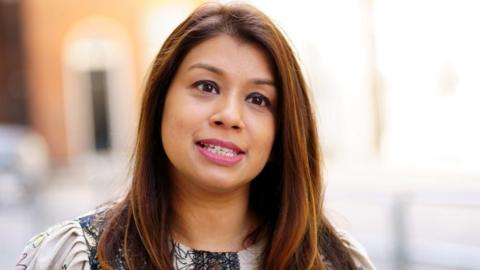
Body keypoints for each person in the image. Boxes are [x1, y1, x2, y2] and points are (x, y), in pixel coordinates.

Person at [15, 3, 376, 270]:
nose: (230, 116)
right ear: (161, 101)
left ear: (282, 131)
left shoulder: (335, 261)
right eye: (206, 86)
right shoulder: (75, 257)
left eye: (258, 99)